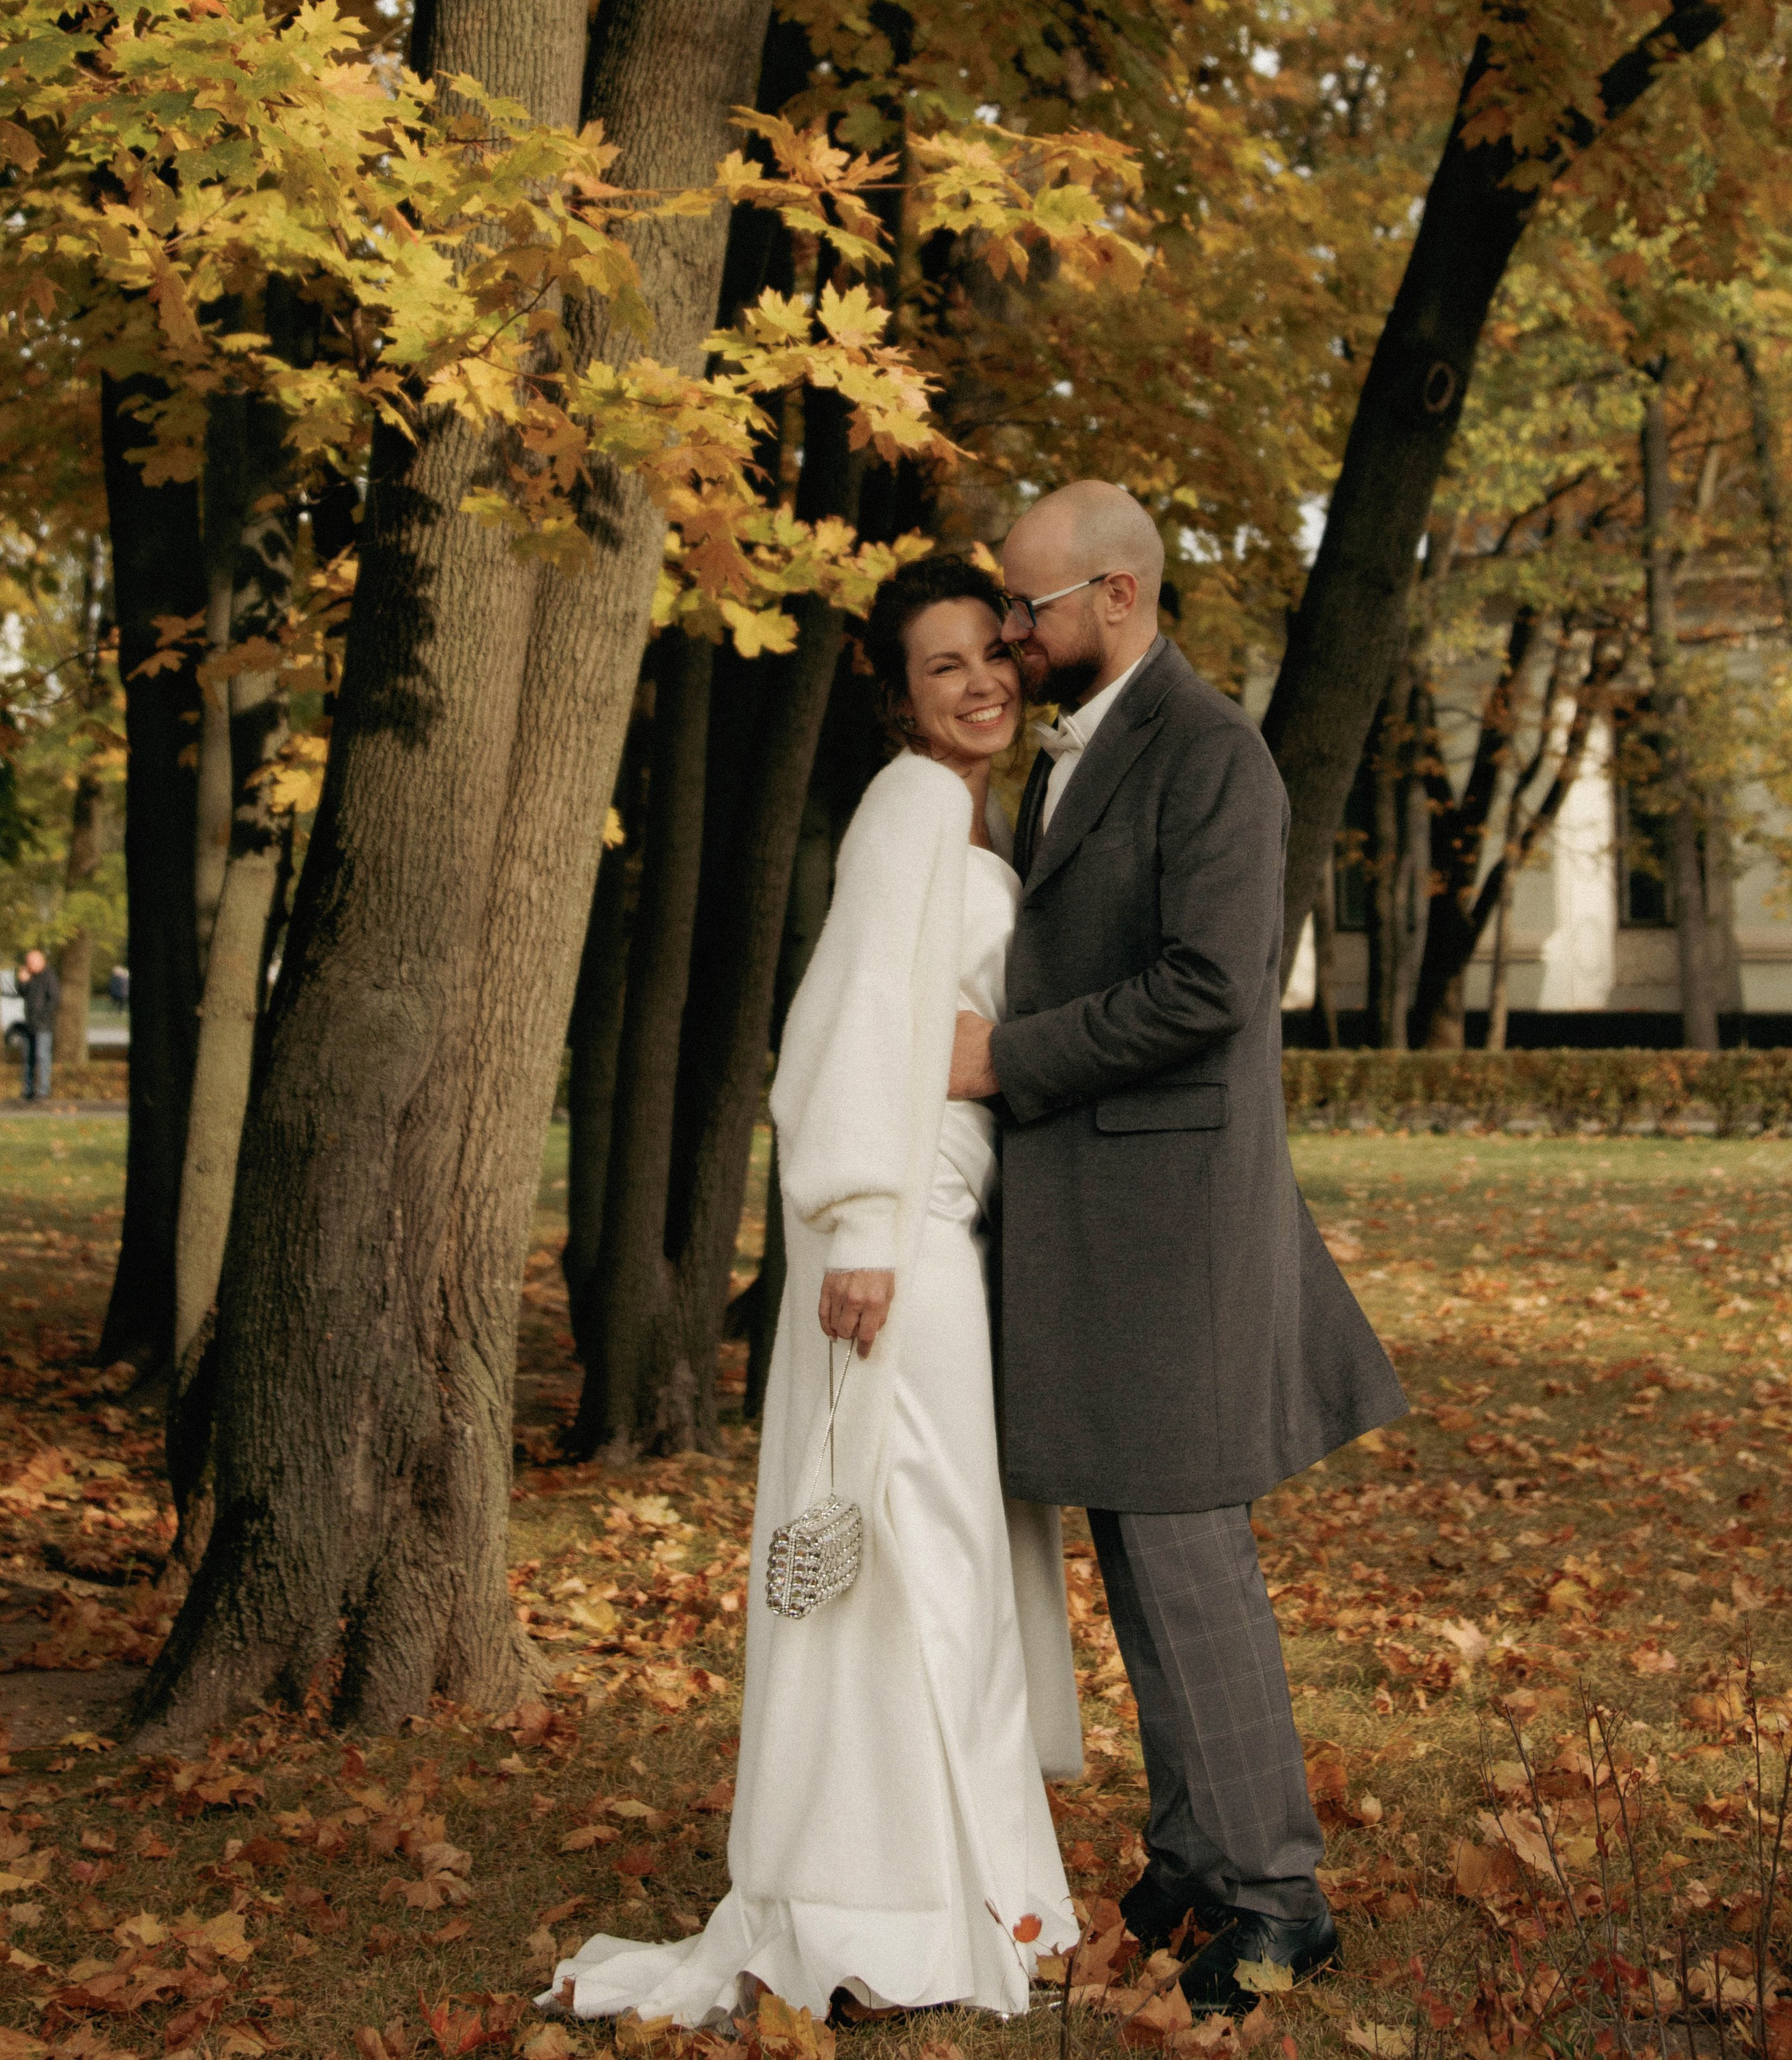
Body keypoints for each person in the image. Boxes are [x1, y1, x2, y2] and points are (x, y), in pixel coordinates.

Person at [541, 557, 1080, 2029]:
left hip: (947, 1221)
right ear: (897, 698)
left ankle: (970, 1880)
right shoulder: (912, 807)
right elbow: (848, 1020)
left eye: (989, 655)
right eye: (939, 667)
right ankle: (896, 1896)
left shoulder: (970, 814)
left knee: (942, 1553)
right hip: (900, 1234)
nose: (977, 684)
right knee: (912, 1554)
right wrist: (857, 1224)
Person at [947, 480, 1408, 2021]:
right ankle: (1193, 1855)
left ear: (1117, 595)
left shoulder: (1211, 752)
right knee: (1139, 1556)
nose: (1010, 636)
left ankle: (1281, 1897)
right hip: (1104, 1226)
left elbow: (1211, 984)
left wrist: (1003, 1059)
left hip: (1176, 1233)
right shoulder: (1079, 750)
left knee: (1191, 1566)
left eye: (1027, 608)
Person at [18, 948, 59, 1103]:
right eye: (27, 963)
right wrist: (23, 982)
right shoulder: (30, 976)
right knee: (28, 1058)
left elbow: (54, 999)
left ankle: (43, 1090)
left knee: (42, 1056)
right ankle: (28, 1090)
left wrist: (43, 1017)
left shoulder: (49, 976)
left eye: (31, 963)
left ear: (40, 961)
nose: (29, 966)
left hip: (43, 1024)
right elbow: (23, 993)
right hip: (29, 1023)